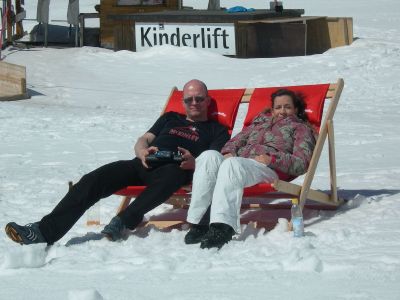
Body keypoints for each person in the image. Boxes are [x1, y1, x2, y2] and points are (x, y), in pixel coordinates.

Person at [5, 79, 230, 245]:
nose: (194, 103)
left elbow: (213, 162)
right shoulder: (170, 118)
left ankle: (124, 220)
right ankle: (43, 232)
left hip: (176, 170)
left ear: (208, 101)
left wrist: (194, 162)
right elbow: (144, 139)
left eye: (199, 98)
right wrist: (142, 151)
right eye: (189, 99)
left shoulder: (216, 130)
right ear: (182, 101)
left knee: (171, 176)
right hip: (143, 163)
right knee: (93, 179)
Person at [184, 89, 316, 249]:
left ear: (296, 109)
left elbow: (302, 163)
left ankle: (222, 227)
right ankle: (199, 222)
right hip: (240, 163)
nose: (282, 111)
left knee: (232, 165)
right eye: (278, 107)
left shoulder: (301, 129)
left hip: (268, 168)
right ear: (273, 109)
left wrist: (271, 158)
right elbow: (235, 142)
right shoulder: (258, 124)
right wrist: (229, 152)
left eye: (287, 107)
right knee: (209, 156)